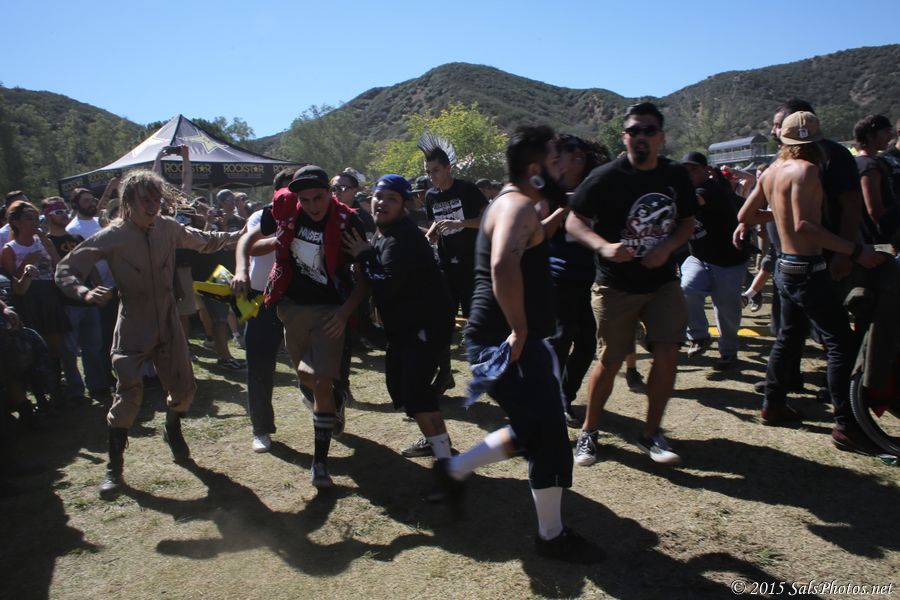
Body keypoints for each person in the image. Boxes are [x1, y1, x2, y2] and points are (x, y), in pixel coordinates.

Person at [433, 125, 604, 564]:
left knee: (535, 429)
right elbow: (503, 263)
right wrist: (520, 329)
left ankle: (454, 470)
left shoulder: (511, 204)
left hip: (501, 340)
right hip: (506, 341)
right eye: (554, 160)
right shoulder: (516, 205)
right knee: (548, 437)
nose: (561, 166)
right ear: (534, 169)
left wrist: (559, 212)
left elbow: (528, 238)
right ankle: (551, 537)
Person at [55, 169, 244, 500]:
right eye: (146, 200)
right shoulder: (112, 236)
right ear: (128, 200)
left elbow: (206, 240)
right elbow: (66, 269)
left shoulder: (168, 228)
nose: (153, 205)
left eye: (157, 199)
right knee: (128, 392)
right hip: (133, 320)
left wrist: (242, 234)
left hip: (169, 319)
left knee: (184, 389)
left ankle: (172, 428)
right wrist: (84, 292)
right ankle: (114, 467)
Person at [738, 111, 885, 453]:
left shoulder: (771, 171)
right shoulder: (808, 171)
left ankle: (773, 403)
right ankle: (847, 425)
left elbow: (746, 215)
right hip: (807, 267)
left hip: (784, 267)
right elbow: (805, 227)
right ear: (817, 143)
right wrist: (855, 250)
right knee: (841, 344)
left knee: (789, 336)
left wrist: (778, 214)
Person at [565, 102, 697, 466]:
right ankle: (589, 432)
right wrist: (603, 247)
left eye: (648, 130)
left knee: (668, 352)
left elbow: (687, 221)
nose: (641, 137)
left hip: (662, 281)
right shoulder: (606, 176)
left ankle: (651, 432)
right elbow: (574, 220)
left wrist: (667, 247)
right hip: (616, 285)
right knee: (609, 360)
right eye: (633, 131)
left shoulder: (674, 174)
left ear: (661, 137)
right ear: (624, 137)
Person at [232, 165, 368, 489]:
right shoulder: (284, 209)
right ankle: (331, 400)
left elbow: (364, 279)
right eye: (304, 200)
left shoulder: (348, 221)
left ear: (330, 193)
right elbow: (247, 239)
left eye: (318, 197)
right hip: (290, 308)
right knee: (307, 377)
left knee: (320, 381)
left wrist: (344, 313)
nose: (312, 206)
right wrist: (241, 269)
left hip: (330, 310)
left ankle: (319, 463)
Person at [342, 174, 456, 467]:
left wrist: (364, 256)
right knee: (405, 389)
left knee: (416, 394)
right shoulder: (385, 232)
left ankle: (446, 459)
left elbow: (386, 282)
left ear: (404, 205)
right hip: (407, 328)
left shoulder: (400, 237)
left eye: (392, 199)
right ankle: (437, 444)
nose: (382, 203)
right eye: (379, 197)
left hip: (423, 328)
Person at [420, 133, 488, 392]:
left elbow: (488, 220)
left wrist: (461, 223)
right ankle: (445, 373)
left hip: (472, 266)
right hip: (446, 268)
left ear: (448, 168)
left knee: (476, 323)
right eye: (428, 172)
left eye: (435, 170)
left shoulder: (467, 189)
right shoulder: (430, 196)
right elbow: (434, 227)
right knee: (441, 322)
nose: (431, 176)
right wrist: (431, 234)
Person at [680, 151, 749, 370]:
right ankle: (699, 337)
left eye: (693, 169)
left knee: (726, 310)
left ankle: (728, 352)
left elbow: (693, 202)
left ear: (706, 170)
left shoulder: (709, 189)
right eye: (685, 170)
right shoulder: (688, 190)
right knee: (686, 288)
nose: (689, 174)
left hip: (728, 260)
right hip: (699, 257)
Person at [242, 168, 294, 453]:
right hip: (261, 300)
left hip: (296, 300)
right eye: (285, 190)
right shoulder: (262, 216)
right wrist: (282, 237)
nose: (291, 196)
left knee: (311, 362)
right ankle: (261, 428)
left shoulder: (313, 217)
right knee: (259, 366)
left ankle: (325, 410)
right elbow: (250, 245)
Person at [44, 196, 111, 403]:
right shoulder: (46, 242)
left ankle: (97, 385)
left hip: (88, 299)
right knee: (69, 351)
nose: (64, 215)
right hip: (66, 302)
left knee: (93, 346)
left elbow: (90, 266)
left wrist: (98, 286)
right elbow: (59, 269)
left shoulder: (76, 238)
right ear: (48, 216)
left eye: (65, 210)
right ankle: (75, 391)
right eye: (58, 212)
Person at [853, 114, 899, 246]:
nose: (890, 136)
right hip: (880, 242)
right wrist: (894, 236)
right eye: (886, 132)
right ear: (869, 135)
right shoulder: (869, 166)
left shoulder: (860, 162)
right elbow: (874, 209)